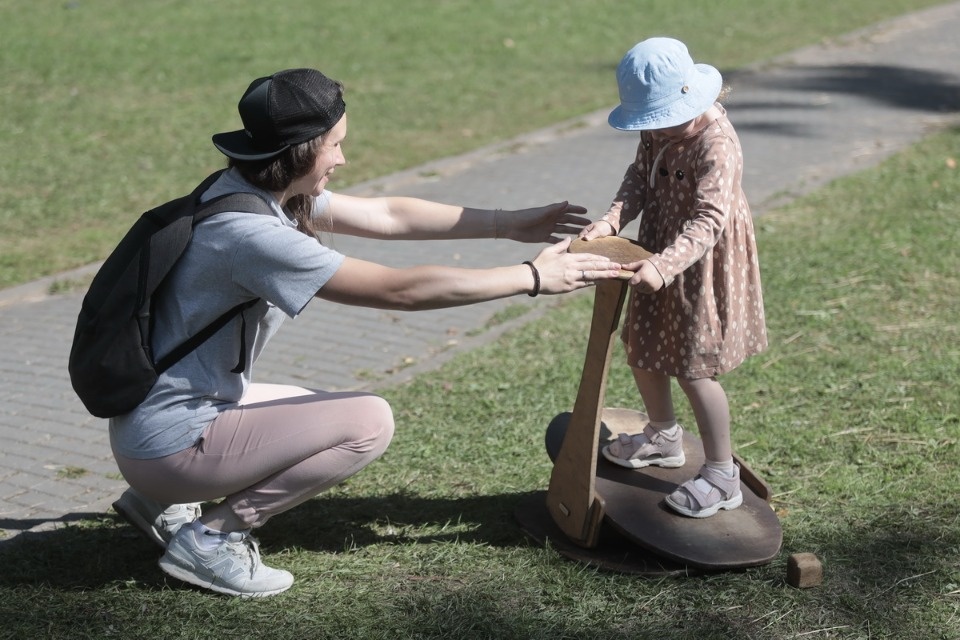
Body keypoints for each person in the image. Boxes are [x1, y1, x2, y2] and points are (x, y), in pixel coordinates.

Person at [110, 67, 623, 597]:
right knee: (366, 423)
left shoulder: (248, 188)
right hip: (169, 443)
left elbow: (388, 215)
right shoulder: (252, 235)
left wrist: (508, 222)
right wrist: (533, 277)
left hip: (153, 421)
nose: (341, 159)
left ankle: (161, 501)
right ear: (300, 150)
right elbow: (397, 291)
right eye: (334, 145)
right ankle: (212, 539)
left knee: (312, 407)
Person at [579, 38, 767, 518]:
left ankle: (723, 476)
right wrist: (611, 221)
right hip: (657, 252)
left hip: (701, 261)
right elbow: (640, 178)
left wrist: (665, 265)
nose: (657, 132)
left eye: (665, 120)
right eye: (650, 124)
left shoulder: (717, 144)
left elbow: (708, 220)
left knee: (692, 365)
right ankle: (663, 436)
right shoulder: (660, 132)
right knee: (642, 345)